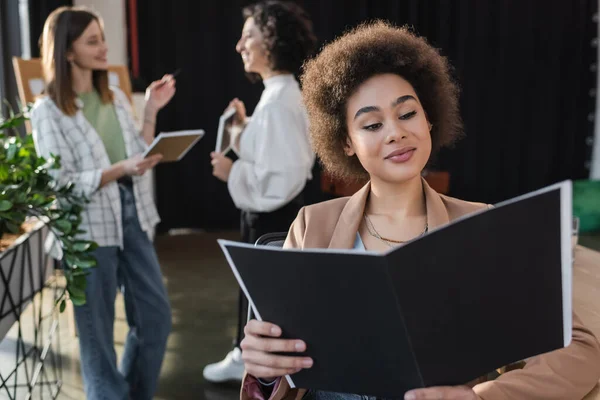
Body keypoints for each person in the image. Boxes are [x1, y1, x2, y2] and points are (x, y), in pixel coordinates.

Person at [239, 21, 600, 400]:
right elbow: (280, 373)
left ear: (428, 118)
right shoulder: (312, 225)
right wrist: (265, 373)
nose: (395, 132)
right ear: (346, 141)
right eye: (373, 123)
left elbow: (579, 348)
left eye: (407, 114)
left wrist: (485, 397)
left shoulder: (484, 225)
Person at [31, 6, 175, 400]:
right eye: (92, 41)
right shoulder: (47, 112)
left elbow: (137, 154)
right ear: (67, 51)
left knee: (155, 318)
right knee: (96, 334)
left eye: (103, 39)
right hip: (86, 230)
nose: (103, 47)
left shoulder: (111, 95)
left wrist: (151, 111)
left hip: (131, 214)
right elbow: (58, 185)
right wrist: (117, 170)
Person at [207, 0, 317, 383]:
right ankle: (249, 356)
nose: (240, 45)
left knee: (265, 295)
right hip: (277, 215)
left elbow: (280, 180)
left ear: (271, 41)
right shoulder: (280, 95)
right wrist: (242, 130)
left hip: (274, 219)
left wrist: (231, 170)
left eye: (248, 36)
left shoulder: (278, 103)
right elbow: (273, 153)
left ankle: (253, 364)